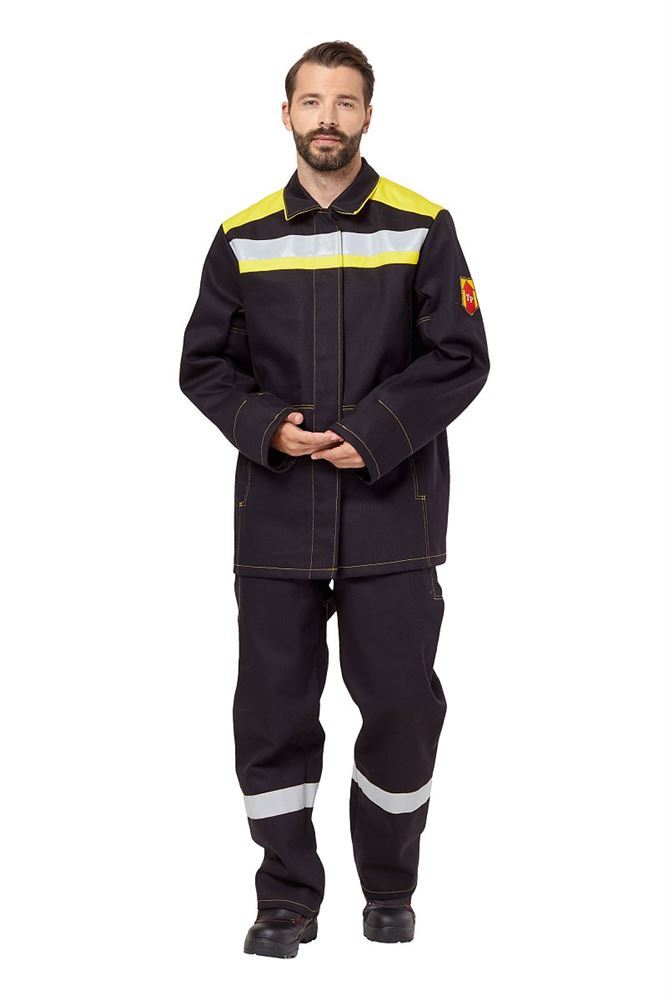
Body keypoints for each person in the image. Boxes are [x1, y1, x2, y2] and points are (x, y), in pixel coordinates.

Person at [179, 39, 490, 959]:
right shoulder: (241, 236)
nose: (327, 118)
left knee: (401, 707)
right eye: (311, 102)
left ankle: (389, 887)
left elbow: (461, 356)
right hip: (276, 518)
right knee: (271, 714)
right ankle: (285, 900)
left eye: (344, 102)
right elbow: (203, 366)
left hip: (394, 512)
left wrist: (377, 431)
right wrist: (267, 426)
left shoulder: (422, 225)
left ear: (367, 115)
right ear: (286, 114)